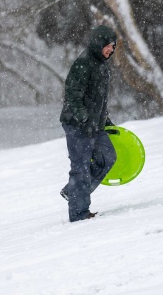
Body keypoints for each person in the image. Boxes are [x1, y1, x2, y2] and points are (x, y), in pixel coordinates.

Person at [59, 25, 118, 221]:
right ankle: (79, 213)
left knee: (108, 157)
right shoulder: (83, 63)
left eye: (113, 46)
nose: (110, 49)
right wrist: (83, 119)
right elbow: (72, 96)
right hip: (77, 125)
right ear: (97, 43)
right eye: (108, 45)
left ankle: (73, 191)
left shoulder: (102, 65)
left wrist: (105, 121)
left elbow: (98, 99)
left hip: (95, 125)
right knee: (81, 167)